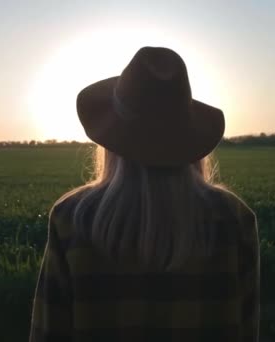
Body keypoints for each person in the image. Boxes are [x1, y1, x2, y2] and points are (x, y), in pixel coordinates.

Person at [29, 46, 260, 341]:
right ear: (189, 139)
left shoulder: (72, 217)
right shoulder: (233, 217)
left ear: (112, 139)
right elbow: (247, 330)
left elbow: (48, 333)